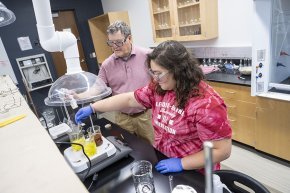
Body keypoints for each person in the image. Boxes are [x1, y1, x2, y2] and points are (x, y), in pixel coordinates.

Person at [75, 40, 232, 174]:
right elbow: (130, 99)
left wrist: (182, 163)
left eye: (159, 73)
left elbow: (221, 150)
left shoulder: (207, 104)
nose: (155, 78)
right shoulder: (160, 88)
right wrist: (94, 107)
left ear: (178, 70)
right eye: (152, 72)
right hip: (163, 158)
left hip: (195, 171)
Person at [98, 20, 154, 144]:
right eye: (111, 43)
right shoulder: (107, 65)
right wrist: (78, 95)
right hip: (122, 117)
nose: (115, 47)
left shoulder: (148, 56)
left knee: (152, 148)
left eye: (118, 42)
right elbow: (97, 87)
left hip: (146, 116)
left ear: (129, 38)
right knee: (128, 148)